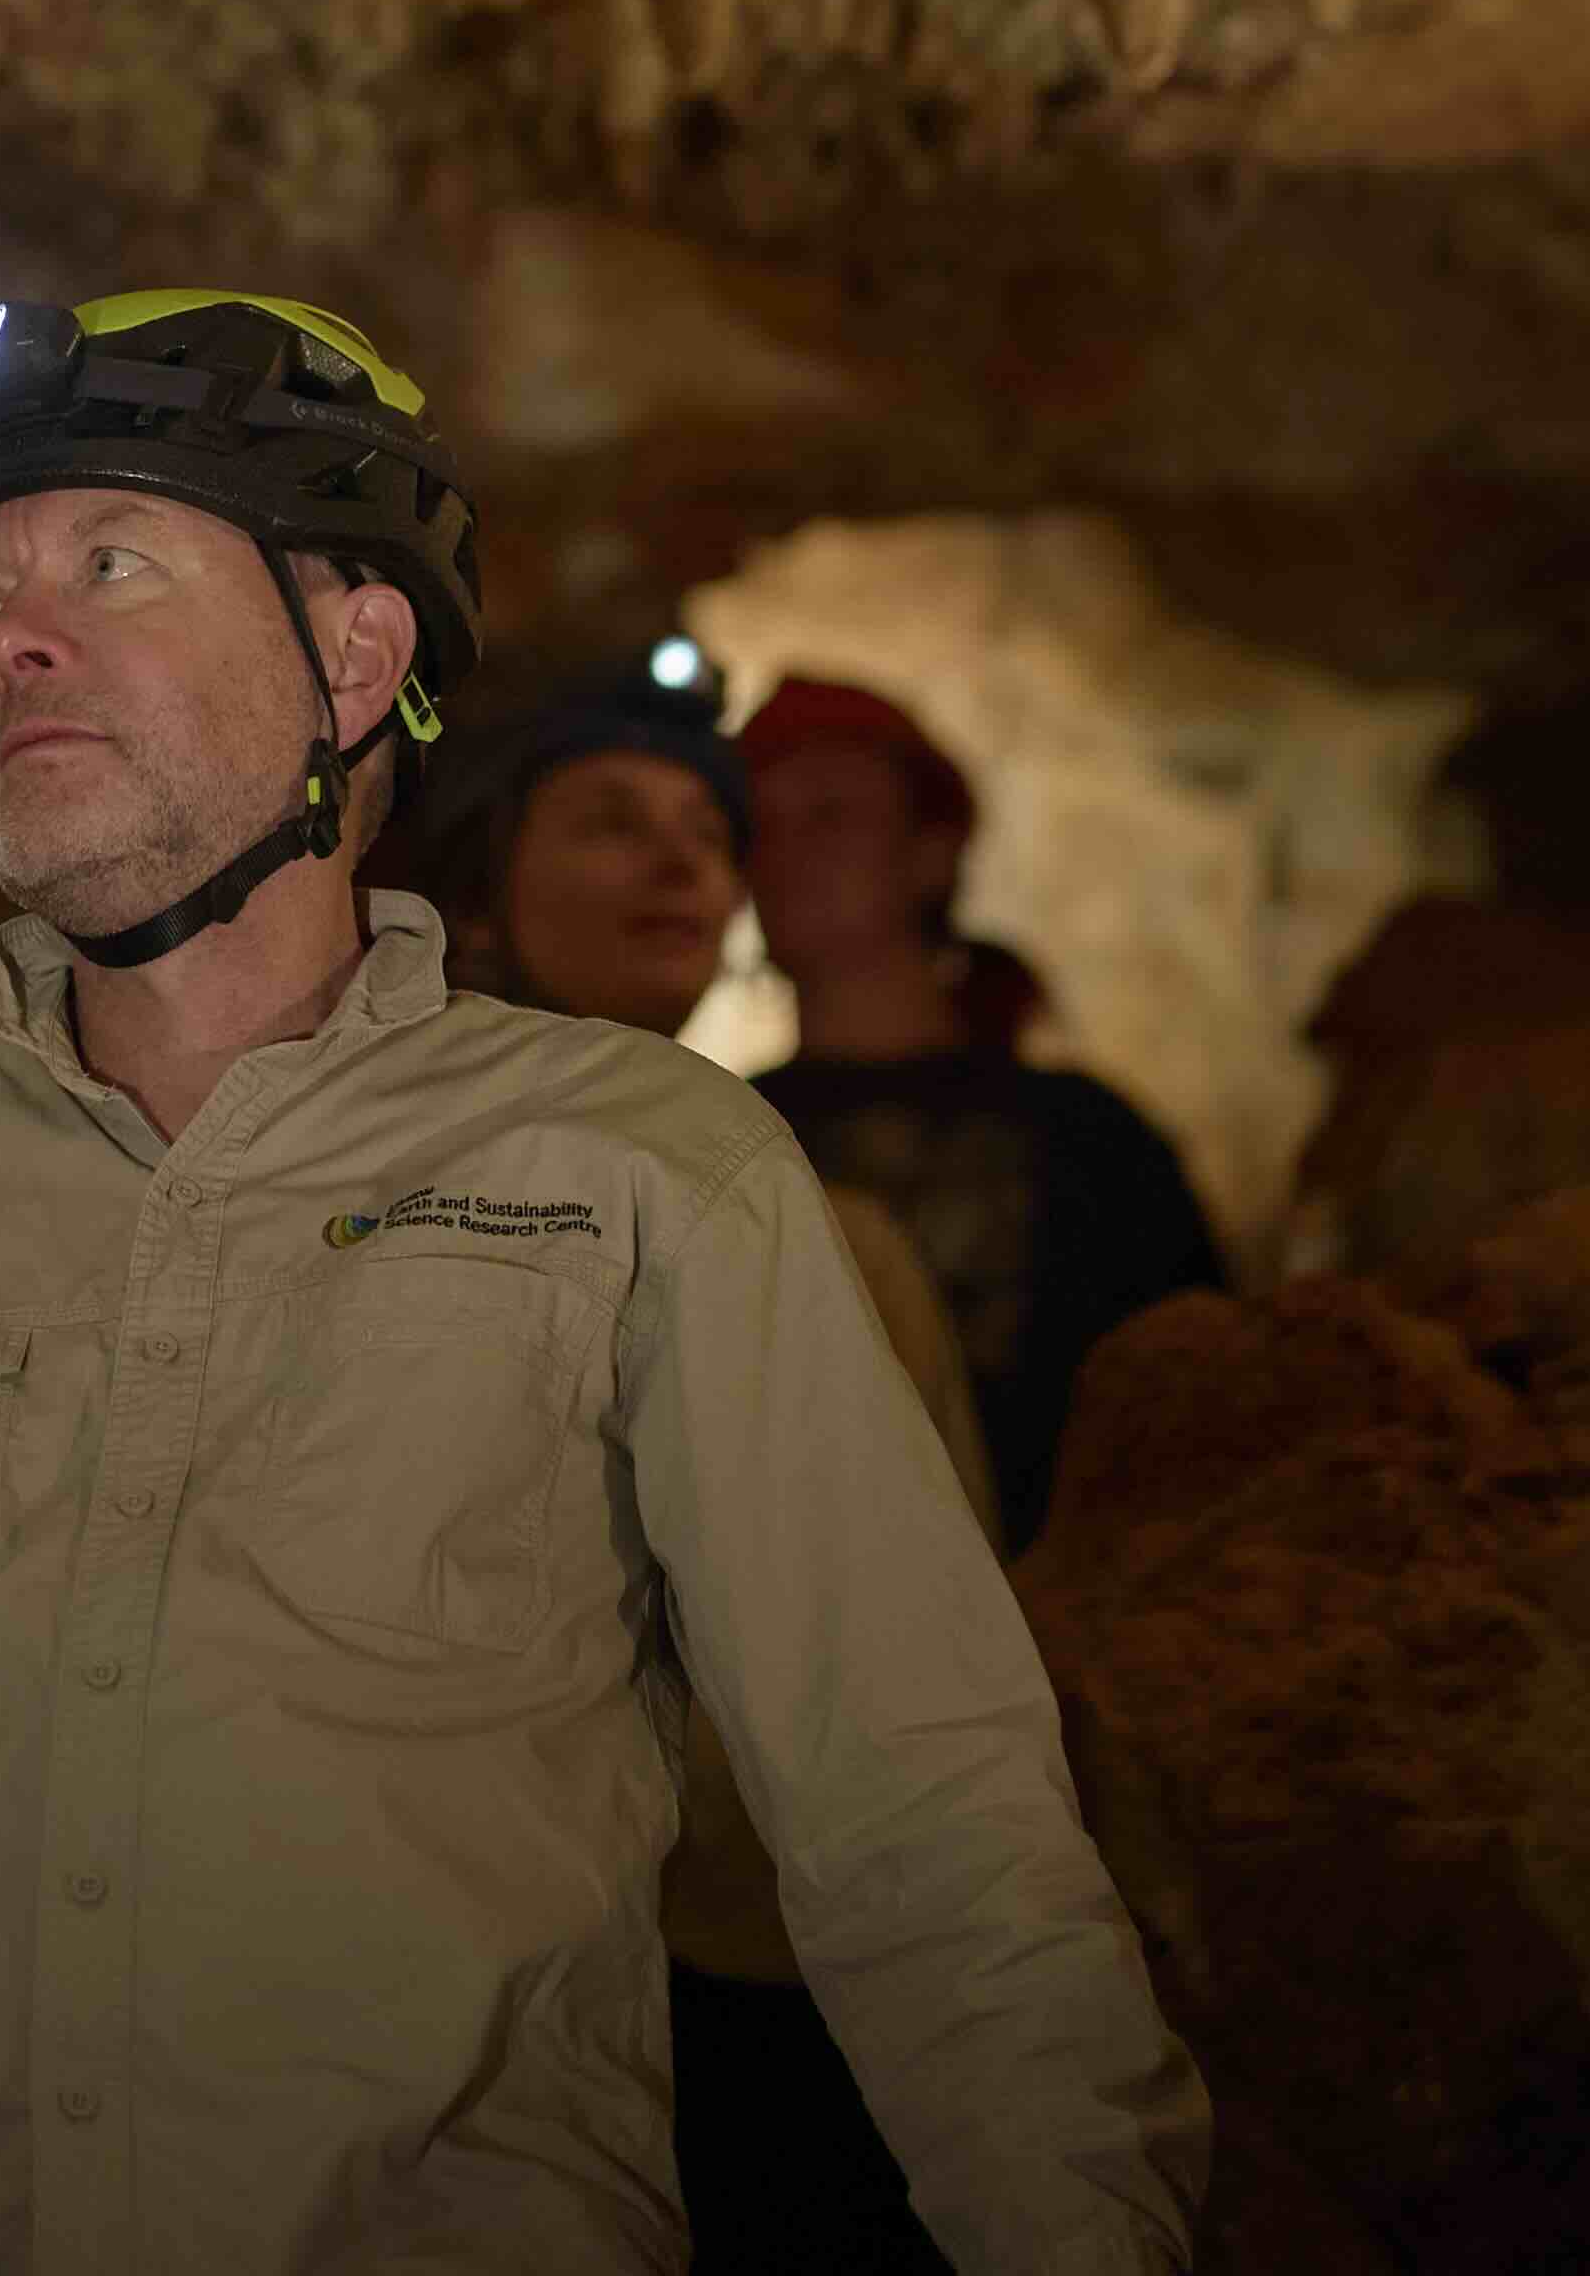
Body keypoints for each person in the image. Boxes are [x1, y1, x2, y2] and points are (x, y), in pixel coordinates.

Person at [0, 294, 1205, 2276]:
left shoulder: (643, 1172)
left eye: (108, 560)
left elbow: (931, 1844)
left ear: (353, 653)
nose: (10, 636)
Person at [375, 655, 998, 2276]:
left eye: (702, 838)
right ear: (485, 902)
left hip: (757, 1962)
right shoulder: (352, 1203)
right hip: (434, 1971)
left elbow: (932, 1629)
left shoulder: (821, 1228)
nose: (674, 862)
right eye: (606, 824)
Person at [736, 679, 1230, 1552]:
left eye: (829, 816)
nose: (783, 853)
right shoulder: (724, 1132)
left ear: (930, 854)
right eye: (758, 826)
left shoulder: (1089, 1140)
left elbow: (1195, 1411)